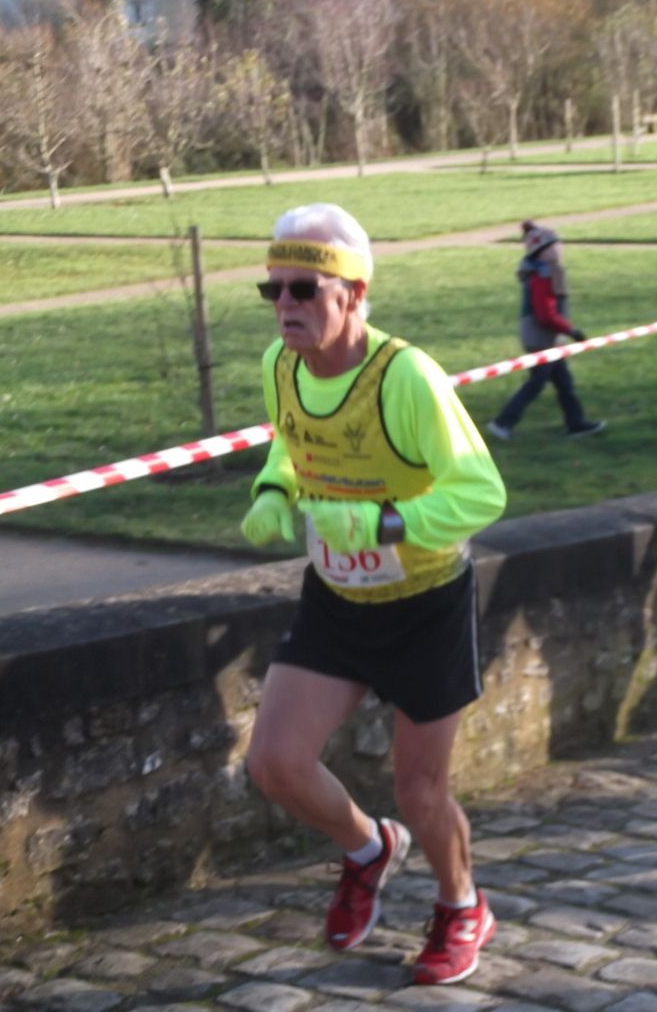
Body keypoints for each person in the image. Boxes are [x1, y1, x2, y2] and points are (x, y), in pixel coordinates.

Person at [240, 202, 506, 986]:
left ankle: (462, 906)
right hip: (336, 599)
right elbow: (292, 444)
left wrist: (385, 522)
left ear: (354, 294)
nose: (285, 305)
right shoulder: (280, 366)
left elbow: (481, 492)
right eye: (273, 289)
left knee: (421, 791)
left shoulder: (406, 378)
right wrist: (273, 489)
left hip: (424, 604)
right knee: (274, 764)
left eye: (304, 290)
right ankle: (368, 847)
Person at [488, 220, 606, 441]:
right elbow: (545, 315)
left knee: (563, 382)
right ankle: (502, 422)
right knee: (537, 383)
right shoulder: (542, 276)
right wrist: (571, 331)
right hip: (540, 338)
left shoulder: (549, 271)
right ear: (541, 251)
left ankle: (576, 423)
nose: (559, 249)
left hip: (548, 337)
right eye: (554, 245)